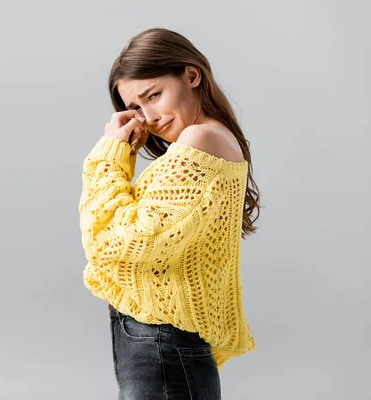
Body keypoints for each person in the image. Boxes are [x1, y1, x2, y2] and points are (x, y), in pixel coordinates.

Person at [78, 28, 261, 399]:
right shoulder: (207, 140)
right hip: (161, 344)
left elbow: (117, 243)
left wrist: (110, 153)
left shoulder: (200, 140)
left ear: (191, 76)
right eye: (137, 108)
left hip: (162, 345)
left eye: (155, 95)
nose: (150, 117)